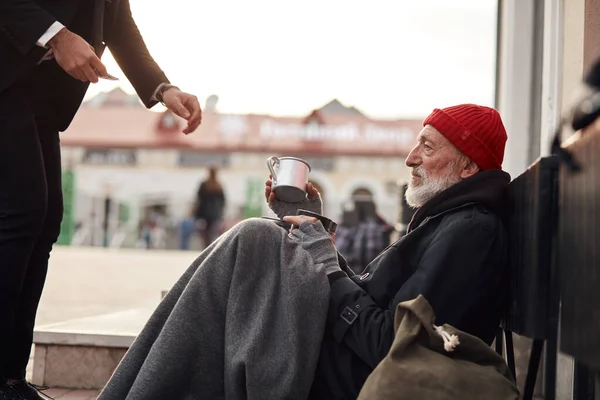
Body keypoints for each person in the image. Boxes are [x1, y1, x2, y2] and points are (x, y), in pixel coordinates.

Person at [100, 103, 510, 400]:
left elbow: (390, 343)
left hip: (351, 375)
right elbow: (368, 299)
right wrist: (311, 226)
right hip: (342, 355)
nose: (410, 158)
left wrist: (326, 266)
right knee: (261, 242)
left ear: (467, 167)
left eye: (427, 147)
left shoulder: (469, 232)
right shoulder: (451, 220)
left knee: (255, 240)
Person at [0, 2, 202, 399]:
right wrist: (57, 35)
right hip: (6, 77)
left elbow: (118, 22)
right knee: (23, 213)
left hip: (40, 92)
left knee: (44, 222)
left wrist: (163, 88)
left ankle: (10, 377)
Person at [194, 167, 226, 247]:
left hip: (204, 212)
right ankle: (210, 246)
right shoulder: (218, 185)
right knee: (212, 231)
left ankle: (206, 246)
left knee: (205, 231)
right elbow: (223, 200)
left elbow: (199, 198)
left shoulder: (204, 184)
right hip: (215, 212)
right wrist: (221, 211)